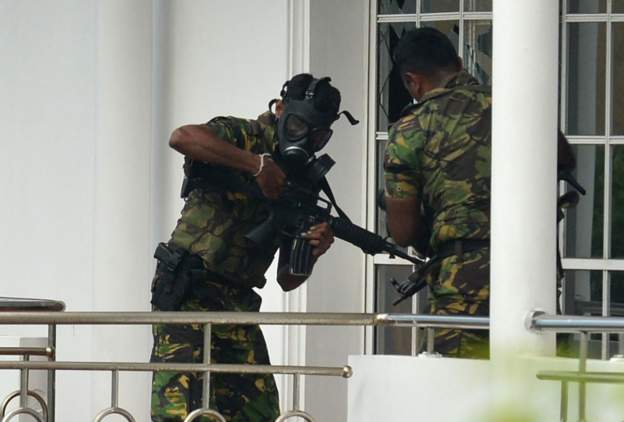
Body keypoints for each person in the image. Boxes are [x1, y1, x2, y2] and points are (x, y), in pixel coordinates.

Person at [149, 74, 345, 421]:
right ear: (281, 110)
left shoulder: (302, 178)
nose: (307, 139)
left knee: (258, 412)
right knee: (184, 412)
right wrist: (255, 165)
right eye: (299, 125)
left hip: (238, 304)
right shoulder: (245, 136)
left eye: (319, 135)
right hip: (190, 292)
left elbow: (287, 279)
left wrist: (312, 251)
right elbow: (182, 137)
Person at [383, 27, 492, 358]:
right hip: (535, 274)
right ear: (459, 63)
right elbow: (564, 160)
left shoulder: (409, 131)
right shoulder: (513, 104)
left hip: (463, 286)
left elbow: (402, 232)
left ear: (412, 82)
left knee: (449, 396)